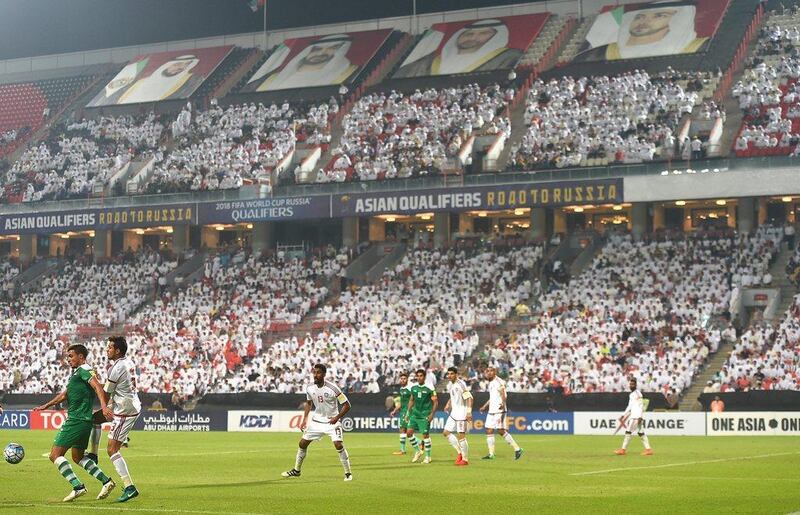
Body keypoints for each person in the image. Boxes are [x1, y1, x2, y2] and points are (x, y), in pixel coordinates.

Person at [33, 344, 117, 502]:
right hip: (84, 421)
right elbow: (65, 395)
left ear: (81, 357)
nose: (68, 359)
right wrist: (46, 406)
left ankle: (78, 486)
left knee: (54, 455)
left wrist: (104, 407)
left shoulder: (85, 370)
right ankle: (106, 481)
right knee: (78, 457)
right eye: (68, 357)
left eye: (71, 356)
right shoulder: (78, 374)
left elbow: (98, 386)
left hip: (76, 420)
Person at [282, 364, 353, 481]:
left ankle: (348, 473)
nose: (315, 375)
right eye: (314, 373)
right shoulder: (309, 388)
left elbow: (347, 405)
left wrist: (337, 417)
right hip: (316, 421)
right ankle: (296, 470)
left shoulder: (333, 388)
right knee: (302, 443)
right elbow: (309, 403)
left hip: (332, 421)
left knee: (338, 445)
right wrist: (305, 419)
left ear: (324, 374)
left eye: (318, 373)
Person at [574, 2, 710, 62]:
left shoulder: (700, 46)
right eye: (639, 16)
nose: (644, 21)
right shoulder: (595, 55)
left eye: (660, 15)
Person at [96, 336, 141, 503]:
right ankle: (93, 456)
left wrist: (93, 382)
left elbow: (106, 392)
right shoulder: (128, 363)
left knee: (112, 449)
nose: (107, 350)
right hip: (129, 405)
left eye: (110, 347)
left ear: (118, 351)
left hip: (125, 410)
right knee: (112, 446)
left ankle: (129, 487)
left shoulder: (116, 368)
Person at [395, 19, 522, 78]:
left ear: (496, 37)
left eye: (483, 33)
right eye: (468, 34)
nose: (473, 37)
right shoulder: (427, 62)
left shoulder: (510, 57)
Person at [248, 34, 357, 92]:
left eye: (332, 48)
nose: (322, 53)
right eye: (317, 49)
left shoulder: (350, 73)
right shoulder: (270, 79)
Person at [118, 55, 203, 104]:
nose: (180, 68)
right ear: (168, 65)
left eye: (185, 66)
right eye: (177, 65)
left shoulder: (191, 79)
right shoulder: (141, 82)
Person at [478, 367, 523, 460]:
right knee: (489, 430)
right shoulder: (490, 383)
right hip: (491, 410)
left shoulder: (499, 381)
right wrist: (484, 406)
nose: (489, 373)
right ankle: (491, 454)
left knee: (501, 431)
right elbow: (492, 397)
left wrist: (503, 403)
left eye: (491, 371)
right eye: (487, 371)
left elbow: (504, 394)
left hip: (499, 410)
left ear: (495, 372)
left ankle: (517, 449)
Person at [404, 369, 438, 464]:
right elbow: (411, 400)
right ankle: (418, 451)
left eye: (421, 376)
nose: (419, 377)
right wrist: (408, 413)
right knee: (409, 433)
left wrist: (432, 414)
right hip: (415, 414)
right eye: (417, 376)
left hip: (425, 415)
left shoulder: (430, 387)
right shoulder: (414, 387)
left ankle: (428, 457)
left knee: (425, 436)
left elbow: (435, 402)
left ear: (424, 377)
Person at [614, 377, 653, 456]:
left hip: (636, 416)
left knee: (628, 432)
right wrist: (623, 415)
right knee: (641, 432)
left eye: (632, 384)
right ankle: (648, 449)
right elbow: (629, 406)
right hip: (634, 415)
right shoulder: (631, 394)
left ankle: (623, 450)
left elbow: (641, 405)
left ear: (636, 385)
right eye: (630, 384)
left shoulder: (637, 393)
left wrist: (640, 416)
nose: (631, 385)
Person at [443, 366, 473, 466]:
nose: (449, 375)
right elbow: (453, 396)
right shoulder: (451, 385)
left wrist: (468, 412)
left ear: (456, 374)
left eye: (452, 374)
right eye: (448, 374)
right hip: (454, 413)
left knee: (461, 436)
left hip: (461, 412)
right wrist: (448, 404)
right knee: (446, 432)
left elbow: (469, 398)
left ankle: (465, 459)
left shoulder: (460, 384)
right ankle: (460, 452)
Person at [389, 372, 412, 455]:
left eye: (404, 379)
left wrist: (409, 411)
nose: (402, 380)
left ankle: (402, 450)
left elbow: (414, 400)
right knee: (406, 431)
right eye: (401, 379)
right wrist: (394, 410)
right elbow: (401, 402)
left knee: (403, 429)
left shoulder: (410, 388)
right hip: (403, 410)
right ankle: (420, 443)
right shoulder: (402, 389)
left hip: (408, 411)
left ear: (407, 379)